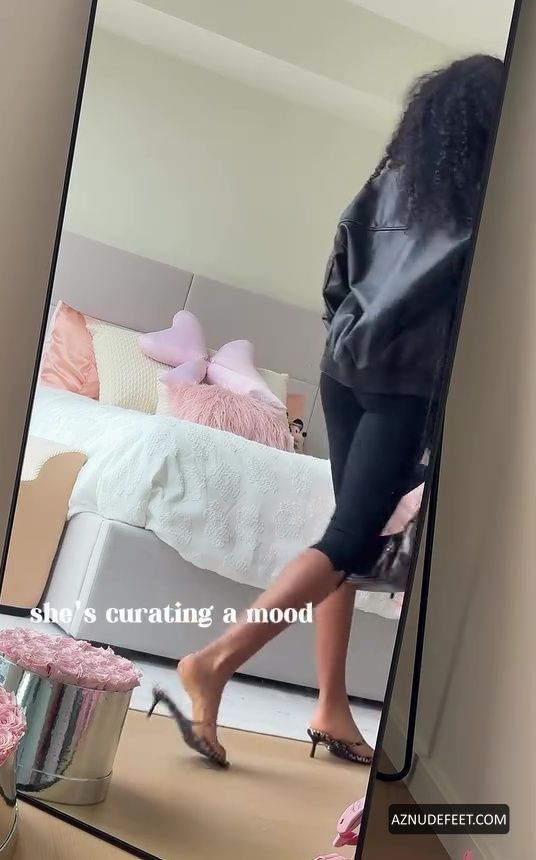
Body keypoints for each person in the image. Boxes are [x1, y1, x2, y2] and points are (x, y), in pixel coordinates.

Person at [151, 54, 504, 768]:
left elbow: (336, 278)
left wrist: (346, 338)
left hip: (343, 368)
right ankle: (214, 661)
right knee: (348, 539)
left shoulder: (390, 183)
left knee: (347, 528)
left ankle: (331, 706)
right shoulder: (488, 208)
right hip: (408, 382)